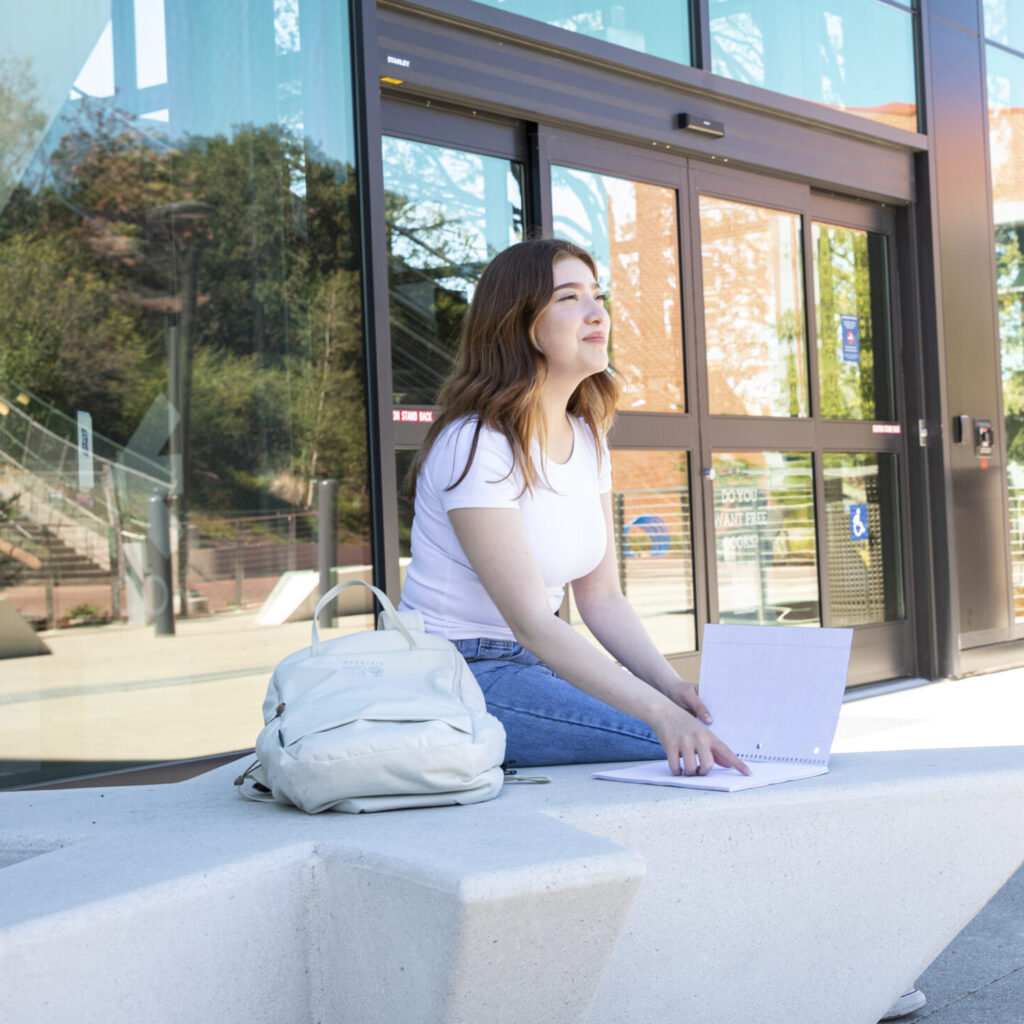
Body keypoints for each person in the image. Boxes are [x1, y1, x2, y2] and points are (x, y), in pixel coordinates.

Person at [399, 236, 746, 778]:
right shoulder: (476, 443)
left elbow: (601, 596)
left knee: (706, 725)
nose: (595, 313)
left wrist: (668, 684)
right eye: (568, 298)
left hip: (537, 663)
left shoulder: (587, 438)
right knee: (691, 745)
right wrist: (659, 714)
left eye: (597, 295)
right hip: (461, 670)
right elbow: (532, 621)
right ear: (519, 322)